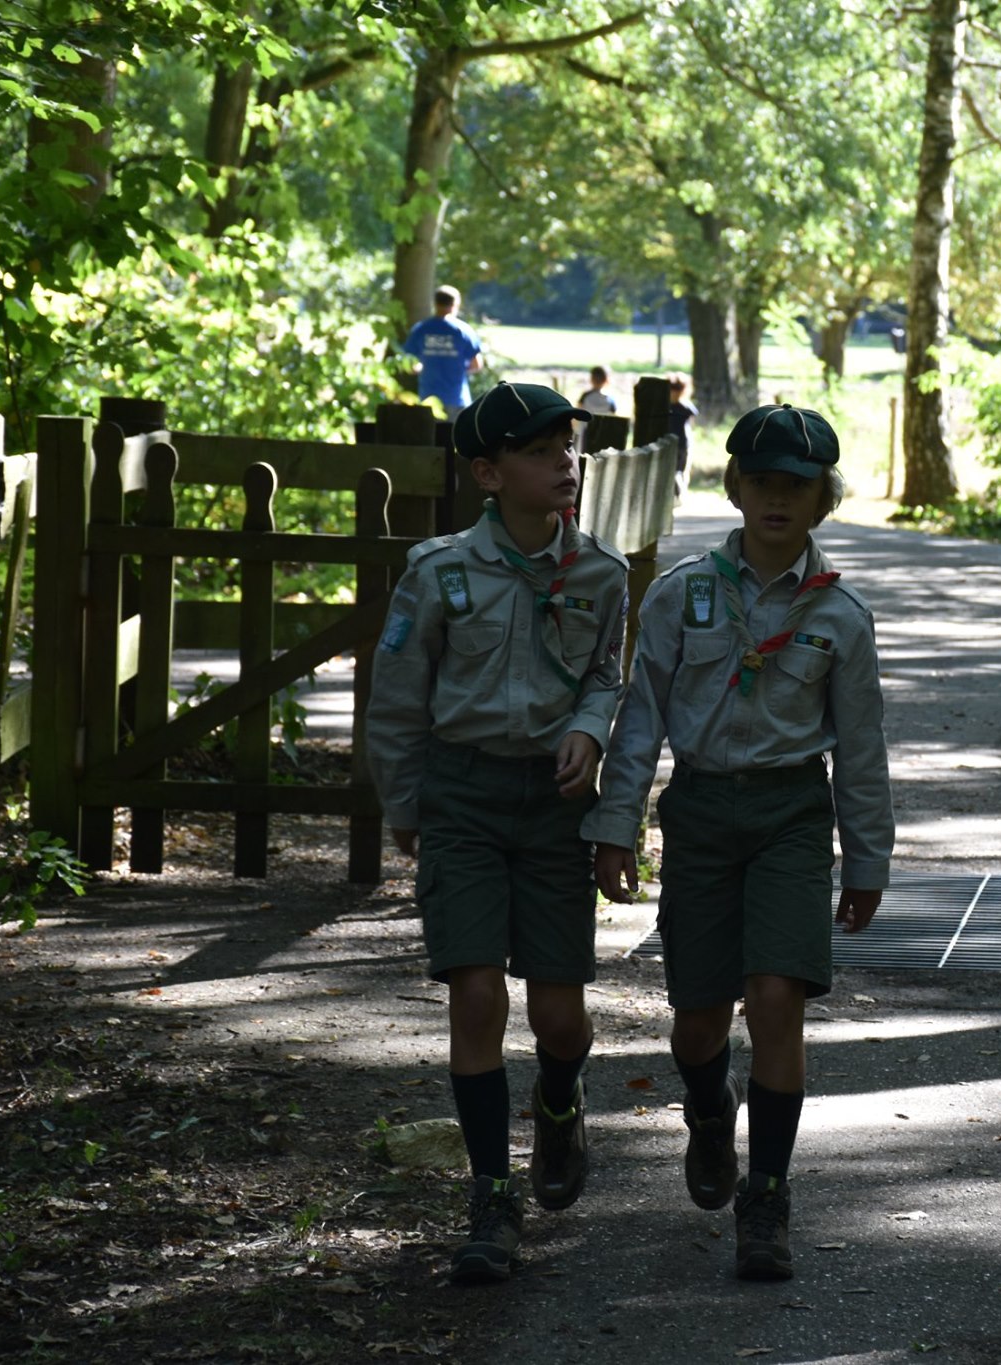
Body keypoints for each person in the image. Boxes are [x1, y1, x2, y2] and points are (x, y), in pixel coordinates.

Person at [584, 404, 893, 1283]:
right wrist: (616, 826)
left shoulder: (842, 615)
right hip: (704, 812)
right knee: (699, 1016)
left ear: (823, 500)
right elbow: (638, 716)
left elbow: (862, 747)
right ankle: (710, 1110)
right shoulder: (684, 594)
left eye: (796, 486)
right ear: (736, 487)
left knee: (777, 997)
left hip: (794, 813)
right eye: (761, 482)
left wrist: (868, 858)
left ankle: (768, 1195)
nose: (776, 499)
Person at [365, 381, 629, 1284]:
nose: (567, 460)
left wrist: (590, 729)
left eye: (571, 444)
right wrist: (406, 805)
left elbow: (606, 675)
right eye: (540, 448)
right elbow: (398, 695)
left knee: (559, 1015)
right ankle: (489, 1194)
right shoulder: (437, 571)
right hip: (465, 796)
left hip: (553, 808)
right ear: (487, 471)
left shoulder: (600, 571)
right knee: (476, 996)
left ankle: (560, 1104)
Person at [401, 285, 484, 417]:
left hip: (428, 399)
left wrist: (424, 367)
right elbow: (477, 365)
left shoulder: (421, 329)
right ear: (456, 303)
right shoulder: (464, 331)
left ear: (435, 303)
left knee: (430, 436)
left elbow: (409, 364)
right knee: (454, 437)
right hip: (457, 398)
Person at [667, 375, 698, 497]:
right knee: (678, 471)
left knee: (678, 471)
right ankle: (678, 493)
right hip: (680, 442)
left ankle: (678, 494)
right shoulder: (686, 407)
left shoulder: (668, 407)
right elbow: (692, 422)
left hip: (681, 443)